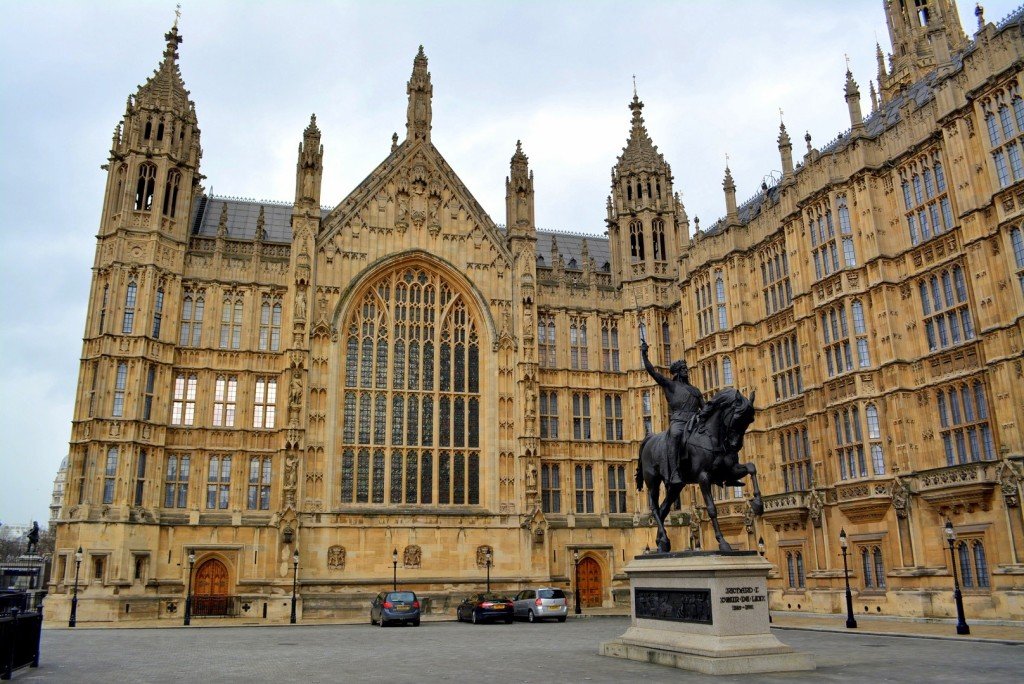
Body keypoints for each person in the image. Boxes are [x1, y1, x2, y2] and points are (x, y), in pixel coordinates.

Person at [640, 340, 703, 485]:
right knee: (674, 435)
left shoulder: (695, 390)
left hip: (695, 422)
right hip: (679, 422)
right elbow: (652, 372)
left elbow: (704, 409)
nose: (686, 371)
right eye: (683, 369)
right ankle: (674, 472)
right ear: (677, 372)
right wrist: (644, 354)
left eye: (686, 368)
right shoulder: (671, 385)